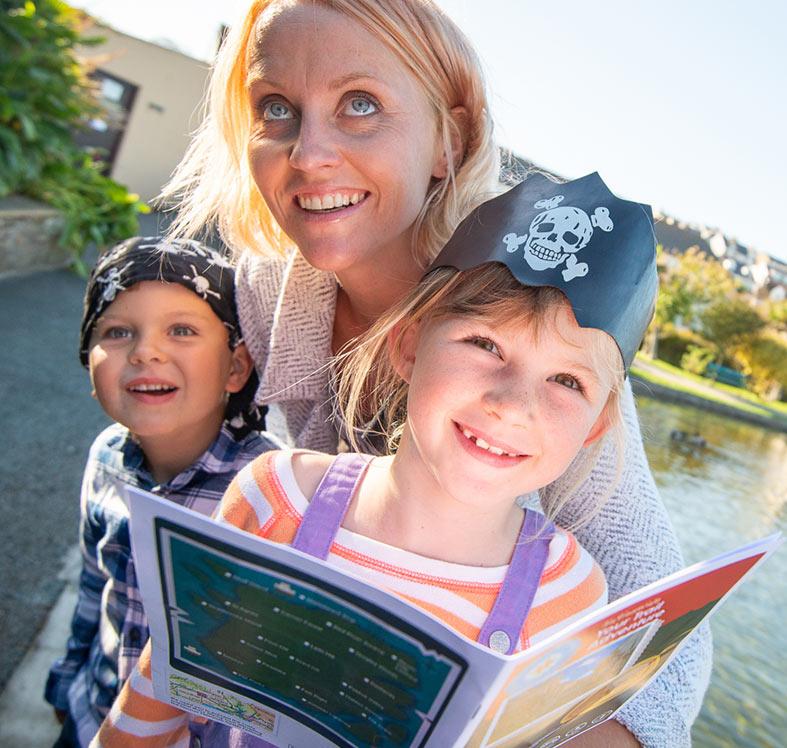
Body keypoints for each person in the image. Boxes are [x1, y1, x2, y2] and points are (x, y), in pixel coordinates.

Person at [116, 2, 712, 745]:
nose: (308, 154)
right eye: (276, 108)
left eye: (360, 103)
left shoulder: (550, 321)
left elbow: (666, 644)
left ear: (448, 139)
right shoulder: (268, 289)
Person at [96, 173, 655, 746]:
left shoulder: (568, 596)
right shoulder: (276, 500)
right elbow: (153, 708)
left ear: (596, 426)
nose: (513, 406)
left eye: (567, 381)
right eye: (486, 344)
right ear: (408, 346)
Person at [44, 237, 280, 747]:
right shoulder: (106, 458)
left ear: (236, 367)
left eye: (182, 330)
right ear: (88, 360)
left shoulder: (271, 490)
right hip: (93, 717)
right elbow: (94, 584)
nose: (145, 351)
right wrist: (66, 683)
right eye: (118, 331)